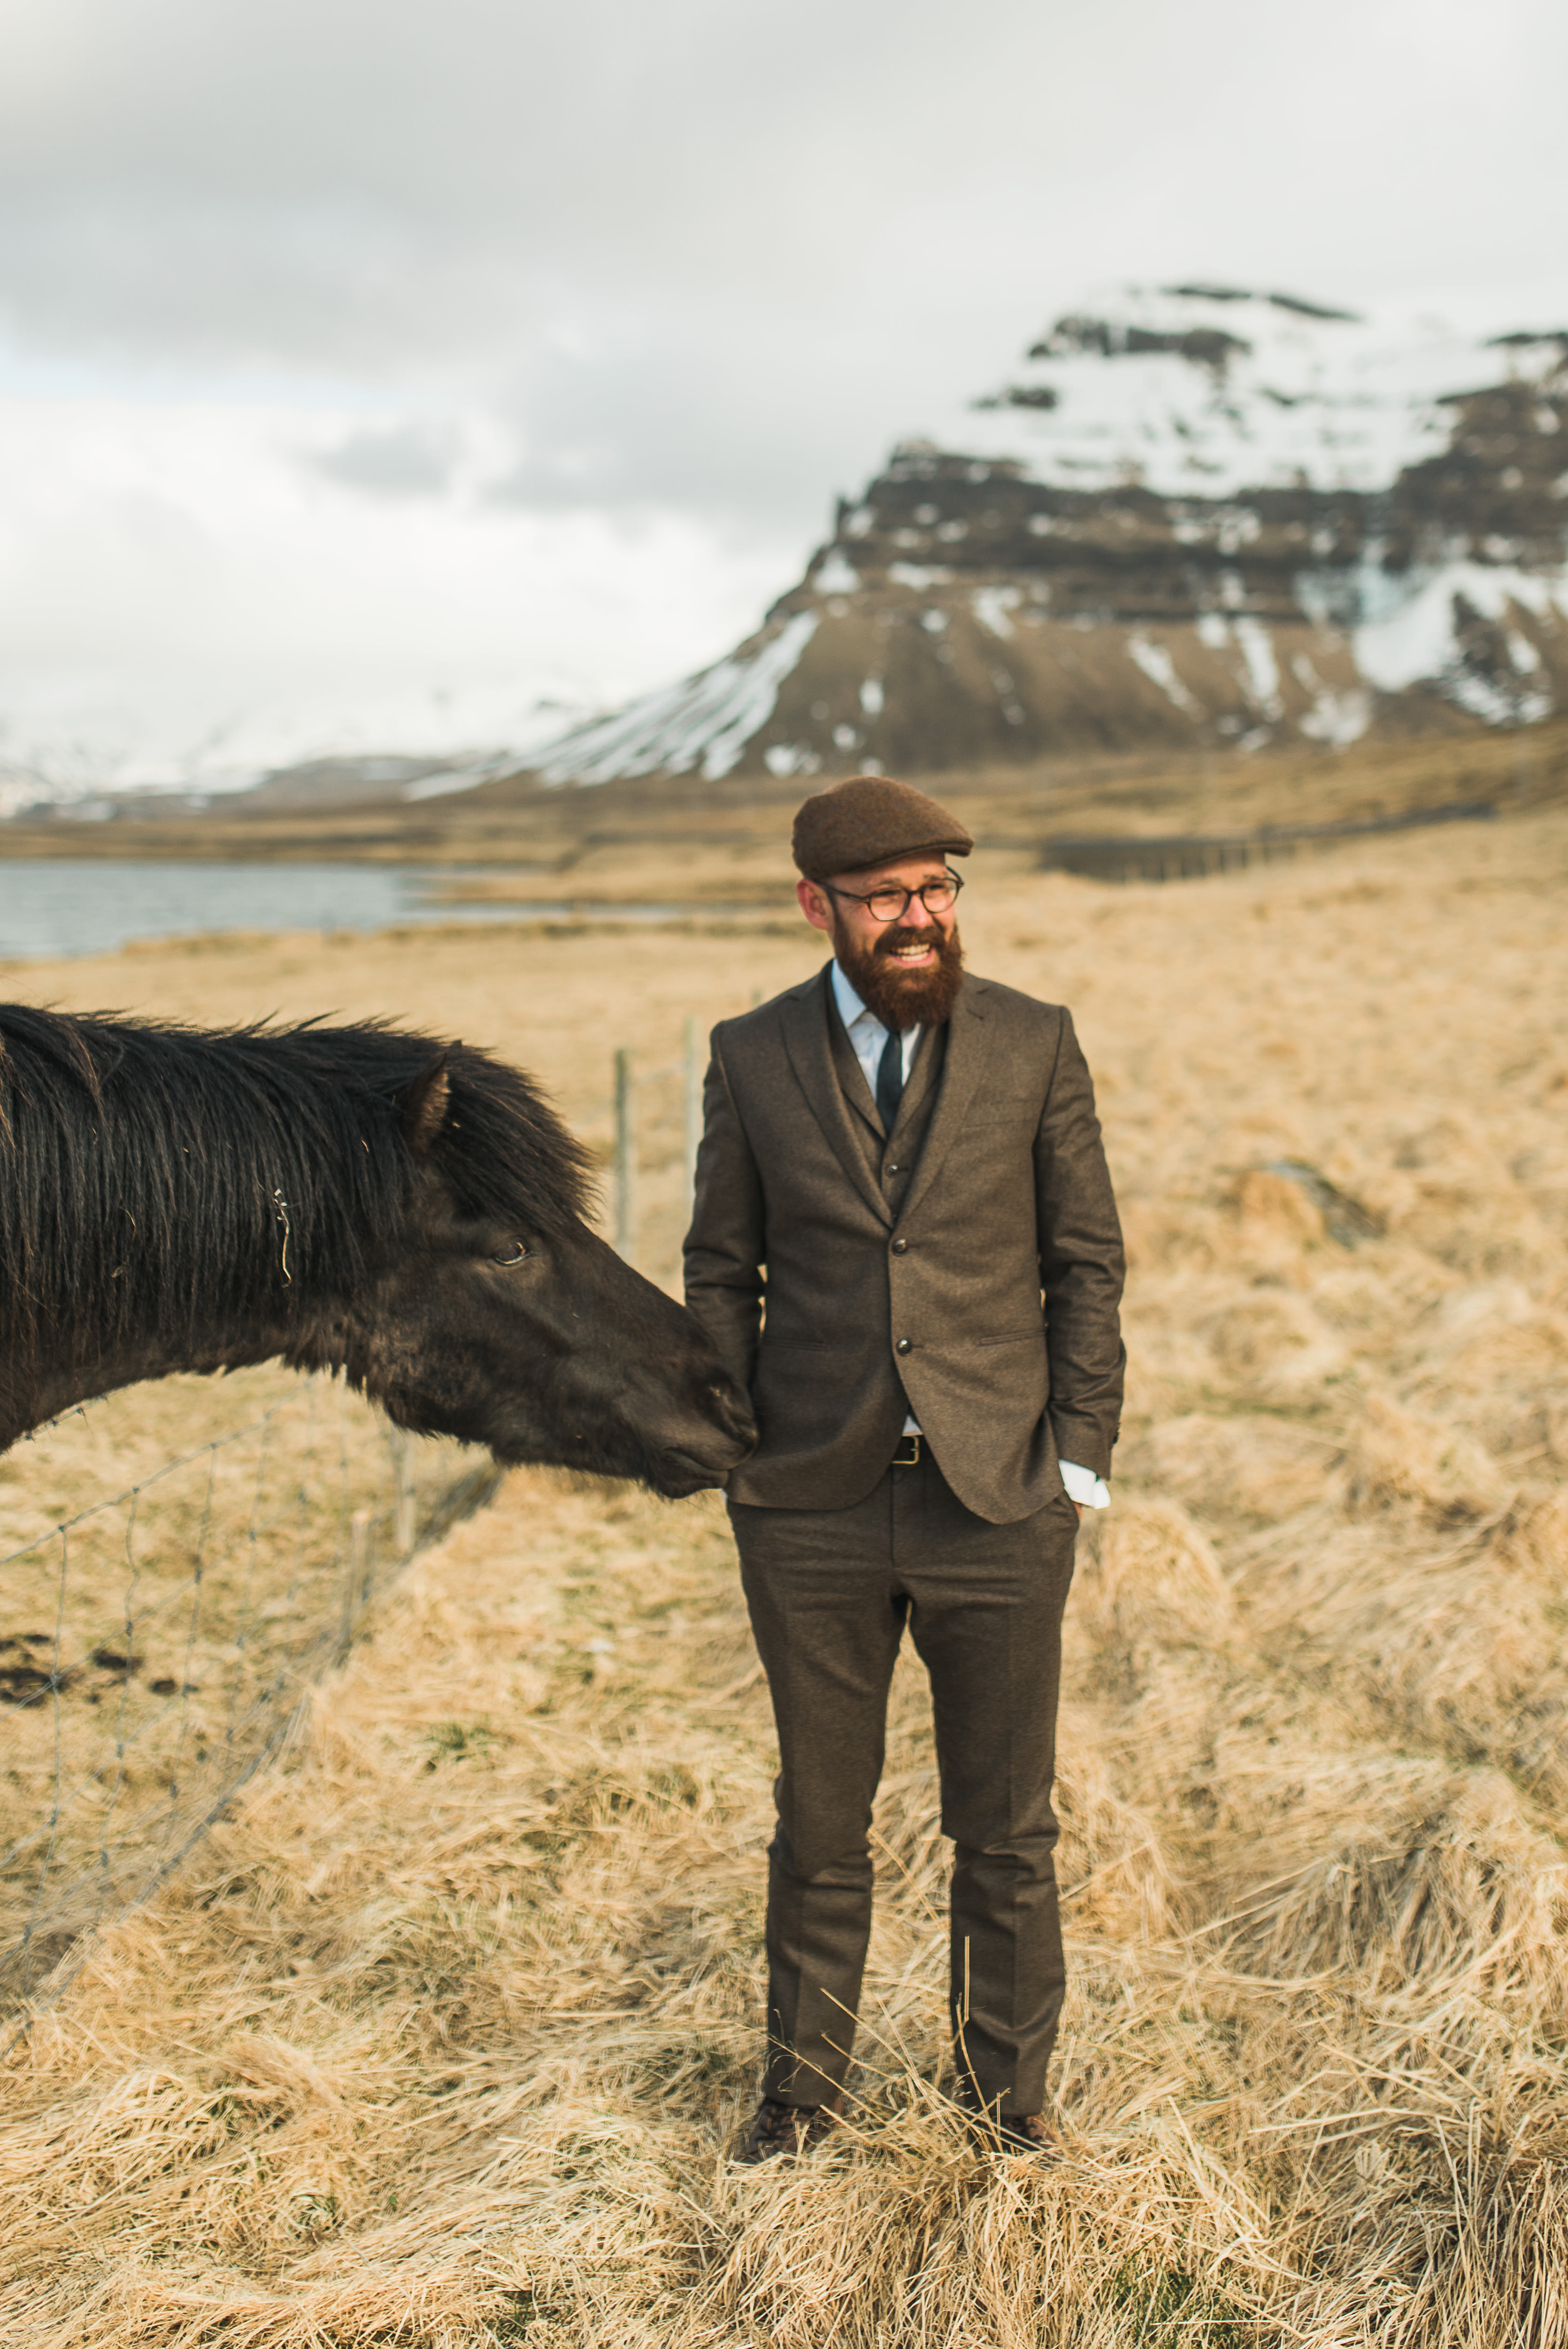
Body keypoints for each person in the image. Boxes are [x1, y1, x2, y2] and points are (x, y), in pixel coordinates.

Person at [683, 772, 1126, 2161]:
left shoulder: (1035, 1041)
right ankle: (799, 2106)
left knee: (1004, 1829)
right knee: (818, 1828)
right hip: (807, 1506)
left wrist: (1081, 1456)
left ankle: (1006, 2108)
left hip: (997, 1498)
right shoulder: (748, 1054)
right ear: (819, 905)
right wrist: (731, 1444)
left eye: (937, 890)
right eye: (885, 898)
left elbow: (1084, 1262)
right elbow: (718, 1266)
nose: (919, 918)